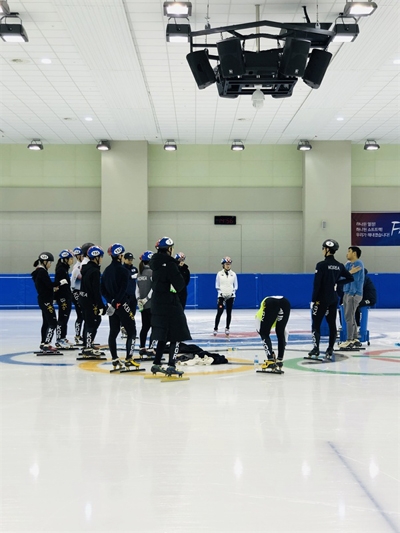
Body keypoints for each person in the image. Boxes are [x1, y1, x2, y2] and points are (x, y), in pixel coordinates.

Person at [149, 237, 192, 376]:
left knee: (162, 334)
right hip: (170, 303)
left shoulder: (154, 264)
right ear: (169, 249)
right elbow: (180, 285)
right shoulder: (170, 264)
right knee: (176, 334)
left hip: (156, 303)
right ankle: (171, 365)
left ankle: (156, 363)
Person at [309, 239, 354, 359]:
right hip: (333, 298)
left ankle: (316, 348)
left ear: (327, 249)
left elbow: (316, 284)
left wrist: (313, 300)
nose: (323, 250)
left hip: (321, 299)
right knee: (332, 324)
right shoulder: (339, 266)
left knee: (316, 324)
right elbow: (350, 278)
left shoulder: (321, 265)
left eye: (323, 248)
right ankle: (329, 349)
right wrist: (337, 282)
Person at [101, 243, 140, 371]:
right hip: (122, 305)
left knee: (113, 332)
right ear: (120, 256)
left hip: (112, 306)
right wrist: (117, 302)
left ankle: (115, 359)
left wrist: (110, 302)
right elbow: (124, 289)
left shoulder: (106, 270)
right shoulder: (124, 271)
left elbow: (102, 289)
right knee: (132, 331)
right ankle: (129, 359)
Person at [79, 245, 106, 357]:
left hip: (83, 299)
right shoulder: (94, 271)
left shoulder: (85, 268)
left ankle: (87, 344)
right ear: (96, 257)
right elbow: (96, 290)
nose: (102, 259)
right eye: (101, 257)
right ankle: (88, 347)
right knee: (93, 323)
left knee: (88, 322)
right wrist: (100, 305)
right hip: (90, 301)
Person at [256, 296, 291, 372]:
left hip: (271, 303)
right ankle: (279, 360)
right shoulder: (272, 317)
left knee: (264, 332)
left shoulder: (259, 317)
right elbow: (286, 332)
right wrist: (283, 347)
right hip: (285, 302)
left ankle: (270, 361)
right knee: (280, 331)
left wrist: (270, 353)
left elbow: (261, 332)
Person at [31, 252, 58, 351]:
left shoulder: (38, 271)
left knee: (46, 322)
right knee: (53, 322)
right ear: (45, 262)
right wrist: (60, 283)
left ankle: (43, 342)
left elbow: (45, 286)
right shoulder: (42, 272)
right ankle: (47, 343)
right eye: (50, 262)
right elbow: (49, 284)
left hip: (43, 300)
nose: (50, 264)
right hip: (46, 300)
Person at [339, 246, 365, 349]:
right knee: (349, 316)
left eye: (349, 251)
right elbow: (341, 276)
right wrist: (349, 272)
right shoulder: (347, 264)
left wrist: (353, 294)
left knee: (349, 316)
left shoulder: (359, 264)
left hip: (354, 294)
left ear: (354, 253)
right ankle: (354, 338)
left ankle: (349, 340)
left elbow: (355, 280)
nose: (347, 253)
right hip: (347, 292)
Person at [54, 249, 74, 349]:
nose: (72, 260)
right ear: (65, 259)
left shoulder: (64, 268)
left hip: (66, 296)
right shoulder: (61, 269)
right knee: (62, 318)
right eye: (71, 258)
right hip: (63, 298)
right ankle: (59, 339)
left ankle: (63, 337)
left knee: (65, 317)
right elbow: (57, 283)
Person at [136, 250, 155, 356]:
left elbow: (137, 288)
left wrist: (139, 299)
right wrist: (147, 299)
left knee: (145, 327)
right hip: (151, 304)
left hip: (142, 305)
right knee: (154, 327)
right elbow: (153, 288)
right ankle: (151, 348)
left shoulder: (140, 273)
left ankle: (142, 347)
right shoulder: (152, 272)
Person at [213, 257, 238, 336]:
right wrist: (220, 292)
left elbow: (236, 285)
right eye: (226, 264)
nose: (228, 266)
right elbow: (217, 285)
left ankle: (227, 327)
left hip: (230, 296)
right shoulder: (219, 274)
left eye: (229, 264)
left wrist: (232, 292)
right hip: (221, 296)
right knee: (219, 312)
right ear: (223, 265)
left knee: (229, 312)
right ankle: (215, 328)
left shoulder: (233, 274)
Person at [70, 246, 84, 345]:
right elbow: (72, 283)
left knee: (83, 315)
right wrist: (74, 294)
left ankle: (80, 334)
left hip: (81, 292)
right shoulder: (77, 267)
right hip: (76, 292)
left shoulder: (82, 265)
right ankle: (77, 335)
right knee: (80, 315)